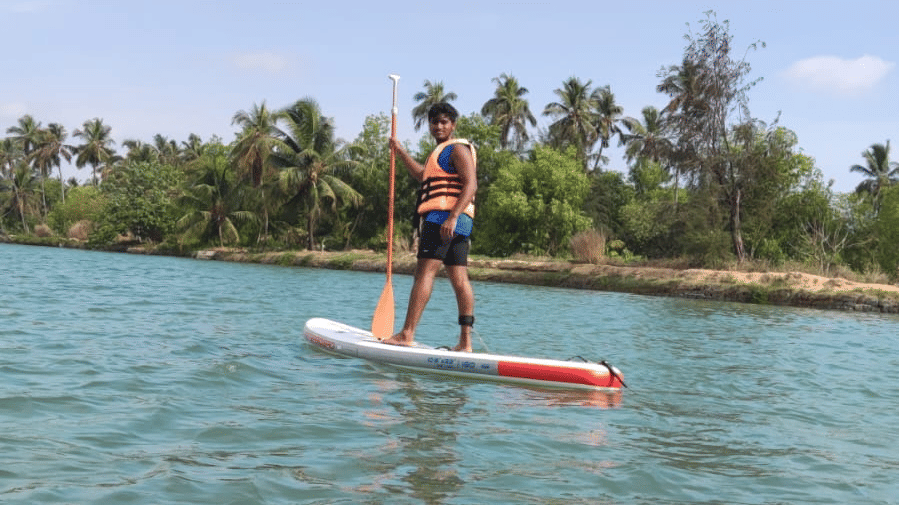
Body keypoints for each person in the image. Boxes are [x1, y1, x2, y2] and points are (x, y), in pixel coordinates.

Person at [381, 102, 477, 352]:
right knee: (458, 277)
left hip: (444, 220)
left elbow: (471, 185)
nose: (439, 126)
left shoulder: (457, 149)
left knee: (424, 274)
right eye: (434, 122)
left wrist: (452, 216)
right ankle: (465, 343)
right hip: (457, 222)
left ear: (453, 125)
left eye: (444, 122)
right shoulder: (441, 153)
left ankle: (407, 333)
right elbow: (423, 175)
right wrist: (400, 151)